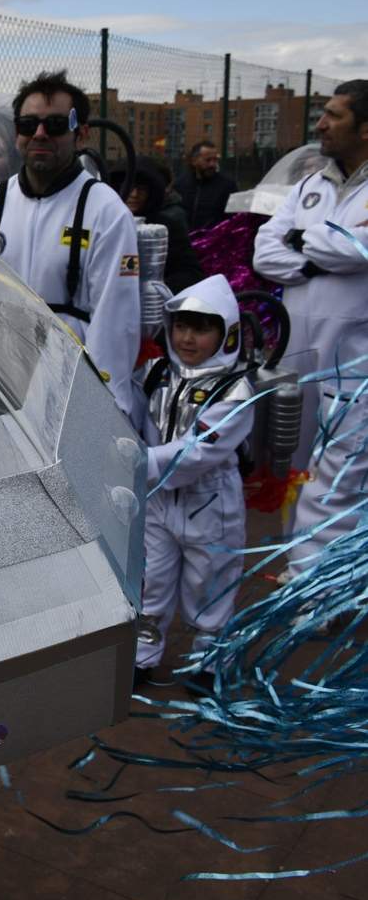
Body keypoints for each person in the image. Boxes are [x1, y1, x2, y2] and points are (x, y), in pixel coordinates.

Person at [0, 70, 142, 425]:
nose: (40, 134)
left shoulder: (105, 211)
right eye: (28, 124)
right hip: (2, 383)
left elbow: (116, 322)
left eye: (56, 124)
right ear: (17, 133)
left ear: (81, 133)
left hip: (74, 387)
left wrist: (105, 414)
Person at [252, 79, 368, 580]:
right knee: (299, 464)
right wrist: (321, 255)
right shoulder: (309, 185)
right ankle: (320, 565)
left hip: (355, 357)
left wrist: (305, 244)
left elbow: (359, 250)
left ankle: (312, 588)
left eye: (334, 115)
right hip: (300, 350)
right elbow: (264, 251)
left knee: (337, 472)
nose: (319, 124)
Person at [133, 275, 253, 689]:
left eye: (202, 328)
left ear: (227, 333)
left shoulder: (235, 390)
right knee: (151, 580)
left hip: (210, 503)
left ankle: (208, 660)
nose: (187, 338)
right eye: (181, 325)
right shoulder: (155, 372)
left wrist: (134, 462)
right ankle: (143, 656)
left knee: (211, 584)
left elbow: (197, 453)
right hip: (157, 499)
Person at [112, 158, 205, 291]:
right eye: (129, 187)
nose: (134, 194)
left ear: (152, 193)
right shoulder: (104, 222)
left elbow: (191, 272)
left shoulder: (166, 227)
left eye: (142, 189)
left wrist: (157, 289)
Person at [175, 140, 237, 230]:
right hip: (186, 240)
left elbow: (232, 218)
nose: (212, 164)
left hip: (214, 240)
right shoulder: (181, 184)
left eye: (215, 160)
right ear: (194, 161)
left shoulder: (227, 186)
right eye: (207, 160)